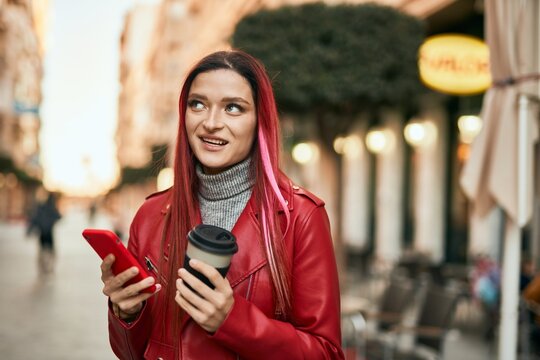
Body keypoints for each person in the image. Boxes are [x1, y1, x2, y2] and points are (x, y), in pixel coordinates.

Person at [100, 50, 344, 359]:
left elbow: (327, 353)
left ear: (260, 121)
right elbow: (132, 354)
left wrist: (233, 320)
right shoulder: (150, 215)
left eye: (233, 108)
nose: (211, 123)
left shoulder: (301, 216)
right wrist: (127, 313)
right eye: (198, 104)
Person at [27, 191, 62, 274]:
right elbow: (59, 217)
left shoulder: (41, 207)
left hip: (42, 233)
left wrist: (30, 230)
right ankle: (49, 267)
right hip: (48, 233)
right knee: (50, 251)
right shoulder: (52, 208)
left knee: (43, 250)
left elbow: (35, 219)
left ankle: (43, 266)